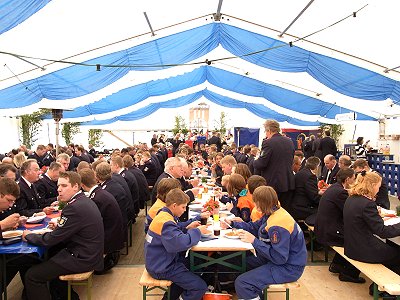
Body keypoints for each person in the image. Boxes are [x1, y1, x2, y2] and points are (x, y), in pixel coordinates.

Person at [23, 171, 104, 300]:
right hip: (91, 252)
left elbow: (51, 239)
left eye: (64, 186)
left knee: (32, 276)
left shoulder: (73, 207)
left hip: (83, 257)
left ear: (76, 186)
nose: (59, 190)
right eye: (58, 186)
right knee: (51, 256)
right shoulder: (83, 200)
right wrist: (61, 228)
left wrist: (28, 236)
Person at [222, 186, 306, 299]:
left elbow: (280, 258)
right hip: (276, 260)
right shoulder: (273, 212)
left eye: (256, 203)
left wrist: (254, 241)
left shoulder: (278, 224)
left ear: (263, 203)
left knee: (243, 283)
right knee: (236, 260)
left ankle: (249, 291)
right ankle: (254, 293)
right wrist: (233, 224)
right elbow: (254, 227)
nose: (255, 206)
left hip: (288, 268)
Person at [343, 171, 400, 298]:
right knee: (397, 255)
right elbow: (382, 232)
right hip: (363, 250)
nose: (379, 190)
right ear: (372, 185)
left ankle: (378, 286)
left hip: (352, 247)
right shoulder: (367, 204)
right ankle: (384, 290)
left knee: (390, 250)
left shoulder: (351, 198)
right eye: (378, 187)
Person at [145, 188, 208, 300]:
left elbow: (175, 230)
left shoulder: (164, 214)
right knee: (200, 287)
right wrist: (198, 231)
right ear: (174, 205)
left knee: (197, 262)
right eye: (183, 207)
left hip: (159, 261)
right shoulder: (166, 222)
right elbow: (180, 244)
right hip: (163, 267)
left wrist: (189, 226)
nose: (184, 210)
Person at [314, 168, 365, 283]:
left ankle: (337, 264)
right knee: (358, 240)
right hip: (329, 231)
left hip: (324, 227)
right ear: (347, 180)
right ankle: (349, 273)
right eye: (353, 179)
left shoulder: (334, 188)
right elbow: (350, 211)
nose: (355, 181)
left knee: (352, 236)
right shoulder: (340, 192)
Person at [79, 168, 124, 274]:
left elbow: (91, 225)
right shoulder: (101, 193)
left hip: (108, 241)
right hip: (114, 235)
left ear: (82, 184)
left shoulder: (96, 198)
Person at [253, 119, 295, 210]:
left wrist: (255, 160)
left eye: (265, 131)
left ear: (269, 130)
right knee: (284, 211)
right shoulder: (289, 141)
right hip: (288, 181)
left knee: (272, 211)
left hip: (274, 183)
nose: (265, 134)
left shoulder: (268, 143)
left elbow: (261, 163)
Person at [290, 157, 321, 222]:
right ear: (317, 166)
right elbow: (314, 197)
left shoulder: (300, 173)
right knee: (325, 211)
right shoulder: (310, 176)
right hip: (303, 208)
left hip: (295, 206)